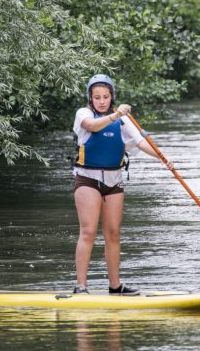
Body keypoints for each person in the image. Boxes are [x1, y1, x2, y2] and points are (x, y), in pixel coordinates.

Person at [72, 74, 173, 295]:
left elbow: (140, 142)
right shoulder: (84, 114)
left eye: (106, 96)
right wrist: (116, 114)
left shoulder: (123, 121)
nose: (101, 101)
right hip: (88, 180)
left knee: (114, 233)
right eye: (97, 97)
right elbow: (93, 126)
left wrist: (162, 157)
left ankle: (115, 286)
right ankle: (81, 286)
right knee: (88, 232)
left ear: (111, 96)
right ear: (90, 97)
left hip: (114, 182)